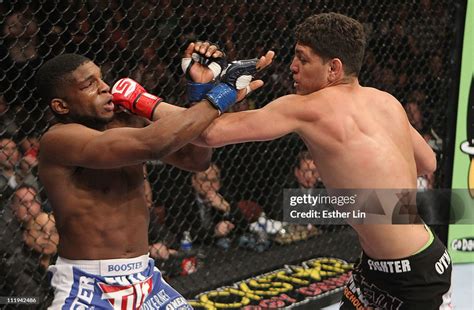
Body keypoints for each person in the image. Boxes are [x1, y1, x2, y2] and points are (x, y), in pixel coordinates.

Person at [193, 13, 451, 309]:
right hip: (400, 262)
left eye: (303, 59)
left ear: (333, 68)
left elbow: (207, 134)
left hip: (413, 280)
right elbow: (428, 162)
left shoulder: (307, 108)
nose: (292, 67)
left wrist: (198, 93)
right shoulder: (387, 101)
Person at [35, 42, 273, 308]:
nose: (104, 86)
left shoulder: (124, 121)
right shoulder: (58, 140)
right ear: (61, 105)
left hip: (146, 279)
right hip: (90, 286)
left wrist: (200, 91)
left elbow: (195, 160)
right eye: (88, 85)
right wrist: (224, 92)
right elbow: (153, 144)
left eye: (101, 78)